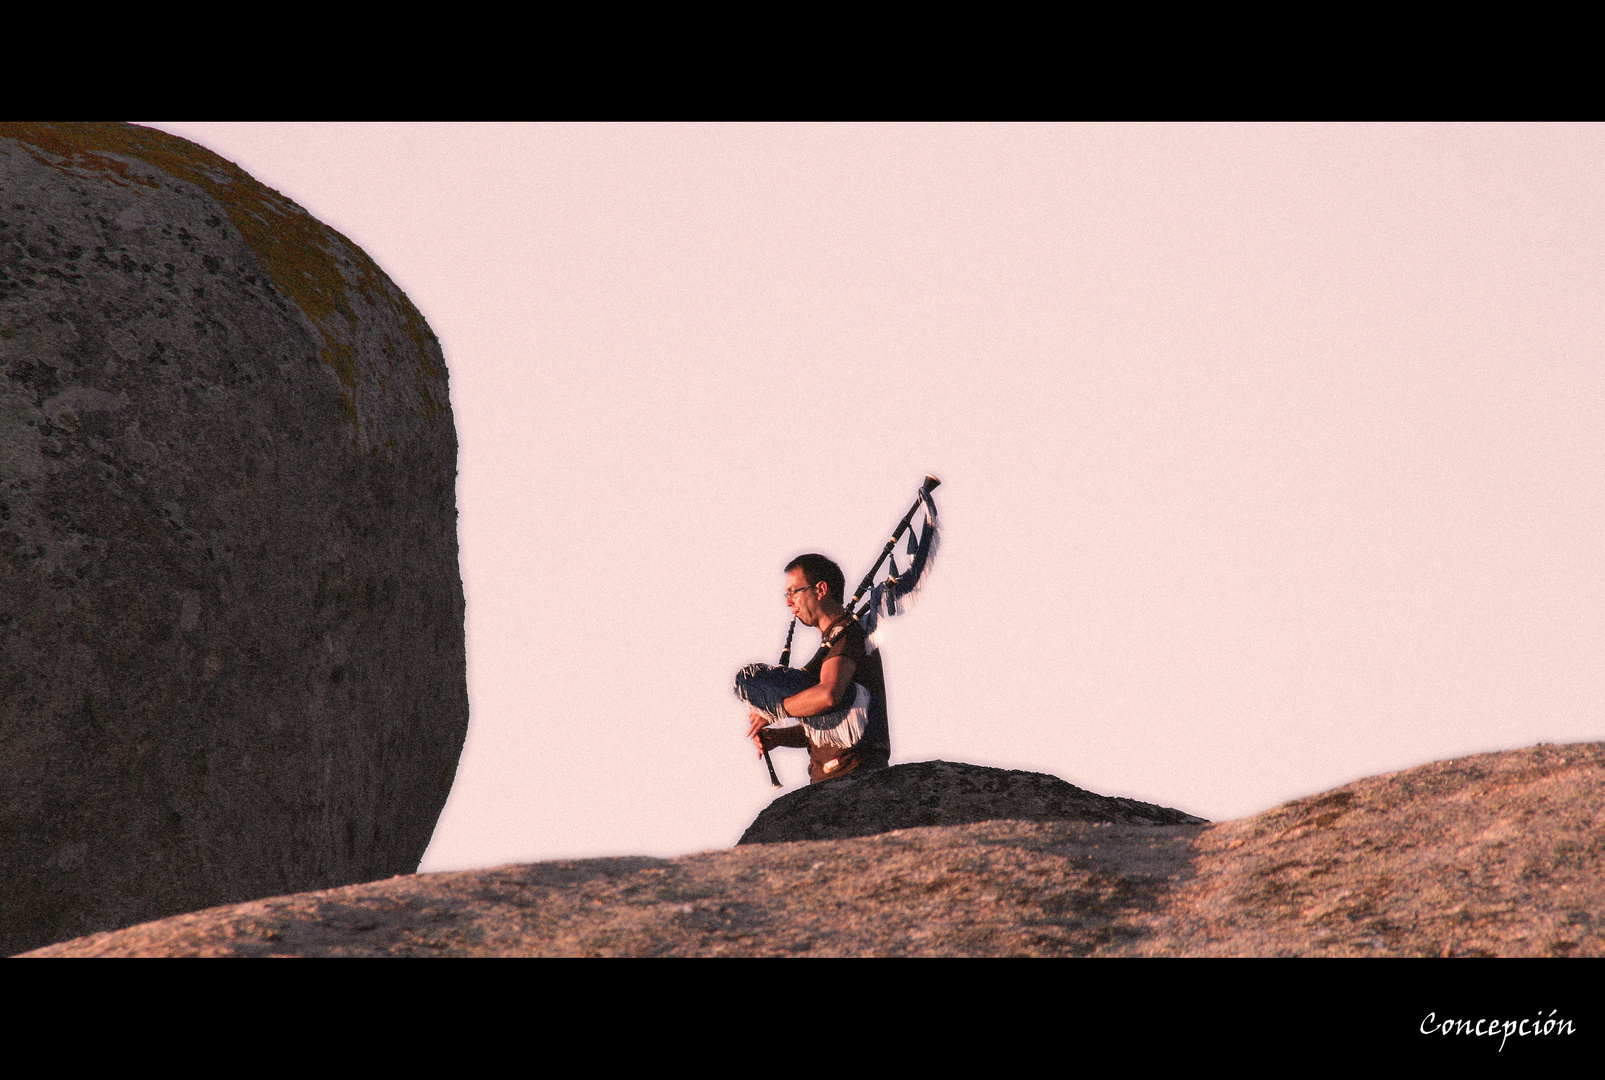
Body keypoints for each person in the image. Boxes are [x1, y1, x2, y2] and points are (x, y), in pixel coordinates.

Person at [734, 553, 890, 783]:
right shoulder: (830, 645)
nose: (788, 601)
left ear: (820, 589)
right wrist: (777, 737)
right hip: (829, 777)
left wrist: (775, 709)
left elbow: (828, 696)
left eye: (794, 591)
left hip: (854, 773)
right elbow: (827, 723)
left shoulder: (847, 634)